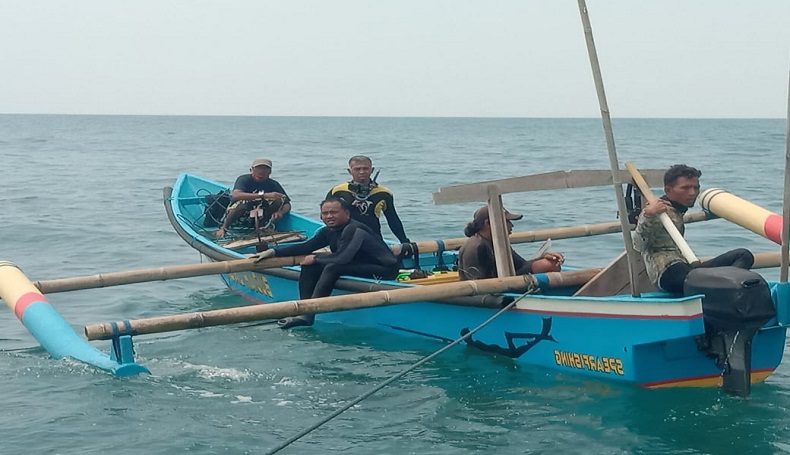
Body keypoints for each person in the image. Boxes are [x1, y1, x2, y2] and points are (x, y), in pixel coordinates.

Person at [253, 197, 400, 329]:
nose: (329, 216)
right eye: (325, 213)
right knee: (309, 266)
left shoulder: (354, 229)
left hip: (384, 270)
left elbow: (342, 259)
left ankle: (310, 314)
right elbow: (306, 246)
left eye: (334, 212)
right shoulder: (329, 231)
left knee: (332, 267)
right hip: (359, 265)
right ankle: (304, 310)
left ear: (347, 213)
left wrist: (316, 258)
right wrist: (273, 252)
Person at [633, 164, 754, 294]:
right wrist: (648, 215)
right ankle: (730, 291)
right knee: (696, 277)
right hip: (668, 274)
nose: (692, 193)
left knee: (743, 255)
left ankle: (731, 289)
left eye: (696, 188)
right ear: (668, 190)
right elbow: (638, 244)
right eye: (685, 188)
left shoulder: (677, 211)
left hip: (688, 269)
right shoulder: (657, 211)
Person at [457, 206, 564, 281]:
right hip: (490, 294)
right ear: (488, 223)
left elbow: (521, 264)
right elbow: (478, 285)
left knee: (550, 264)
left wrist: (544, 257)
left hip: (504, 281)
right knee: (547, 265)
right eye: (507, 221)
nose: (511, 225)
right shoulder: (477, 247)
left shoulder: (498, 243)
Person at [326, 155, 410, 243]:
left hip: (373, 239)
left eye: (365, 168)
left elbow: (393, 220)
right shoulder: (338, 191)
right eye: (357, 169)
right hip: (344, 239)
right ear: (349, 171)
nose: (362, 172)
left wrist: (404, 241)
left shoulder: (383, 193)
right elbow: (326, 215)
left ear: (372, 170)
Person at [216, 158, 291, 238]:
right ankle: (224, 228)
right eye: (259, 168)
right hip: (239, 217)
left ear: (270, 172)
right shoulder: (244, 179)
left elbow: (287, 203)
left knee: (278, 200)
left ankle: (261, 229)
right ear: (251, 170)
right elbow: (236, 195)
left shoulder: (274, 184)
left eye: (265, 169)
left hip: (258, 217)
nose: (262, 171)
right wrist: (264, 195)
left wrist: (281, 212)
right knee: (244, 203)